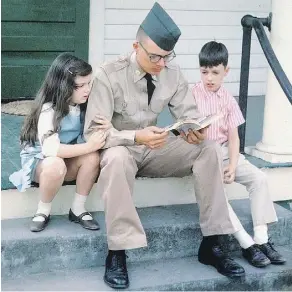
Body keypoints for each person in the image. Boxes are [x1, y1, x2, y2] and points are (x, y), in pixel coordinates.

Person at [84, 3, 248, 289]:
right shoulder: (107, 74)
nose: (161, 63)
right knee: (117, 159)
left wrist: (194, 129)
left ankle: (213, 243)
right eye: (155, 57)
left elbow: (188, 113)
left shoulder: (171, 71)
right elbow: (95, 134)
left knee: (208, 148)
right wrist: (136, 137)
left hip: (156, 146)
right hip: (123, 147)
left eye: (167, 56)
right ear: (137, 46)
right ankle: (117, 251)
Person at [192, 41, 286, 268]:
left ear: (226, 71)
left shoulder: (228, 100)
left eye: (215, 72)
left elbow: (234, 138)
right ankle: (247, 244)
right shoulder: (192, 94)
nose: (209, 78)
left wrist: (233, 165)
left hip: (226, 152)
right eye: (205, 72)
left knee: (260, 179)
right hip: (204, 155)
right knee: (218, 195)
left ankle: (262, 239)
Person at [9, 53, 111, 233]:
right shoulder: (49, 109)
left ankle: (78, 208)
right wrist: (89, 145)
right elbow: (50, 149)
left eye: (89, 83)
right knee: (56, 164)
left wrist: (106, 127)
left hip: (68, 160)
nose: (87, 89)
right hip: (43, 165)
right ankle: (43, 210)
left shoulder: (83, 106)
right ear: (62, 86)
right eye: (80, 86)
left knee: (92, 157)